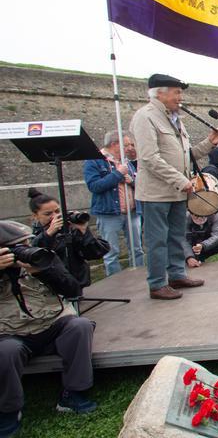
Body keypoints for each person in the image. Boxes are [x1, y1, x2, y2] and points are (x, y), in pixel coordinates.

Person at [129, 74, 218, 300]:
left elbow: (185, 156)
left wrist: (210, 143)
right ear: (159, 93)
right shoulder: (145, 117)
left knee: (175, 235)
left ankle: (176, 275)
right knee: (157, 239)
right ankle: (157, 283)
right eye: (176, 92)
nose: (180, 97)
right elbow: (149, 159)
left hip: (177, 192)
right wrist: (181, 181)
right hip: (156, 193)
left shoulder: (174, 118)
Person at [0, 220, 98, 437]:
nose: (23, 252)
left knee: (80, 326)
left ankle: (73, 393)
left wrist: (44, 270)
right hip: (9, 333)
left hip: (51, 323)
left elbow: (73, 289)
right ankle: (8, 411)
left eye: (24, 245)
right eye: (15, 248)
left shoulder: (42, 259)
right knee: (6, 352)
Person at [83, 130, 144, 275]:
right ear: (114, 144)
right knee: (111, 252)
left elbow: (139, 183)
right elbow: (94, 186)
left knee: (137, 249)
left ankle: (140, 279)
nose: (130, 148)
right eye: (127, 144)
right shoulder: (94, 161)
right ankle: (116, 284)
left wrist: (133, 181)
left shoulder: (125, 161)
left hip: (132, 212)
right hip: (109, 213)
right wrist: (117, 174)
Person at [28, 189, 109, 288]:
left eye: (57, 211)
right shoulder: (31, 235)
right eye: (48, 214)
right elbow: (35, 257)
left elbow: (95, 253)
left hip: (77, 284)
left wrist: (84, 232)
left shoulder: (69, 229)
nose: (54, 216)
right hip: (50, 289)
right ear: (35, 216)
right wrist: (48, 234)